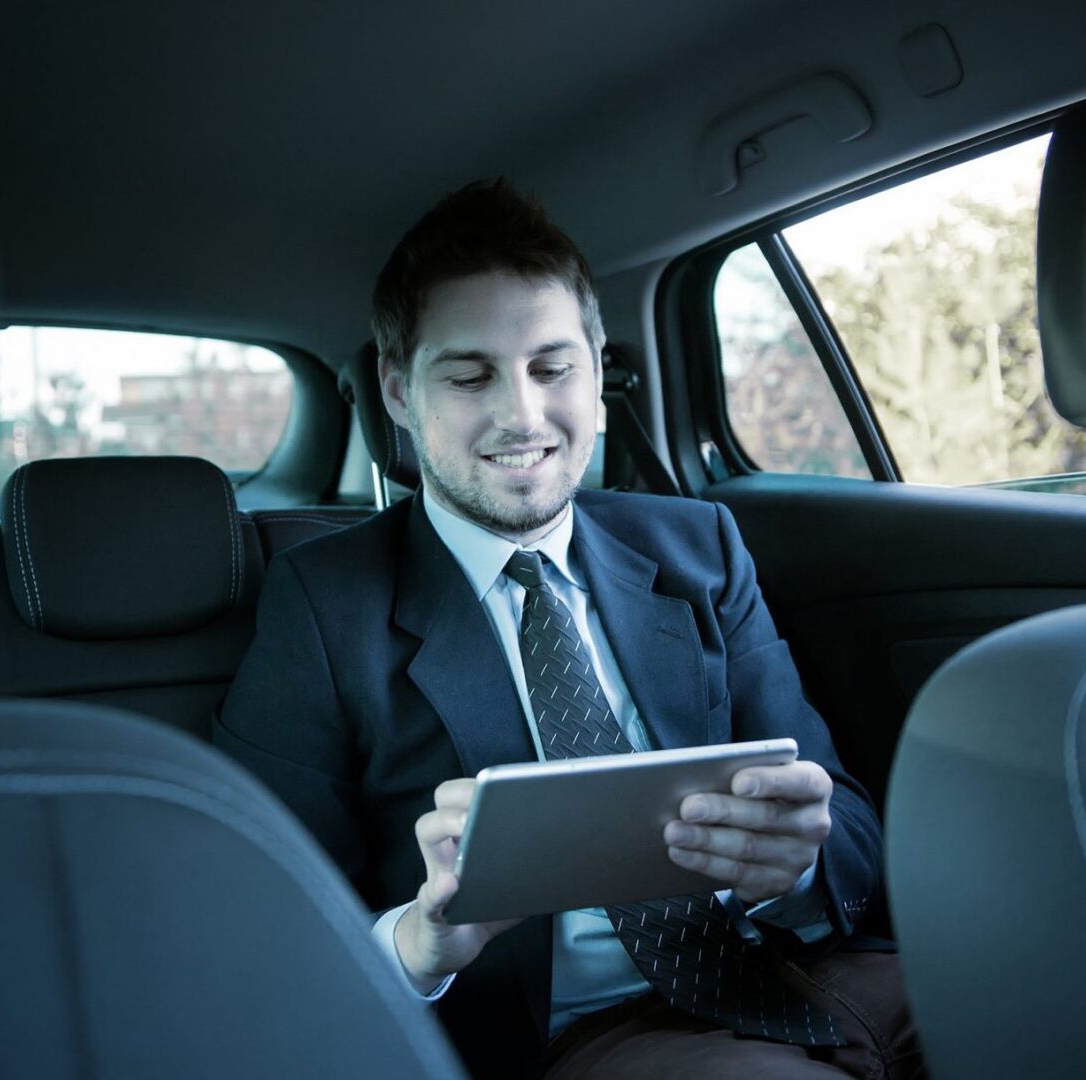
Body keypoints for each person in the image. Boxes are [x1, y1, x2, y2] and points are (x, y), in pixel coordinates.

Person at [216, 180, 920, 1079]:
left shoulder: (697, 545)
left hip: (807, 973)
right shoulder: (323, 605)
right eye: (470, 376)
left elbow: (843, 819)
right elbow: (259, 931)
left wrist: (796, 864)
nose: (523, 415)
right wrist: (424, 940)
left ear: (596, 368)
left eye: (553, 369)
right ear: (398, 390)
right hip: (576, 1038)